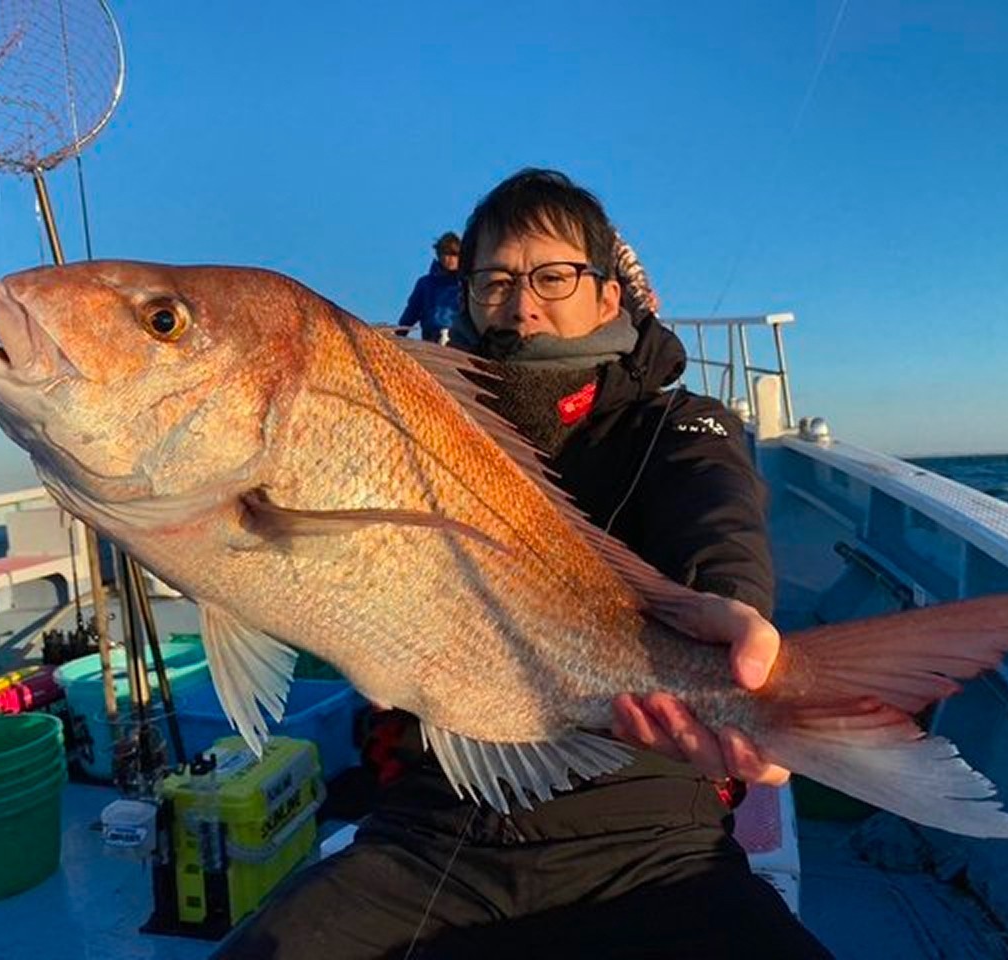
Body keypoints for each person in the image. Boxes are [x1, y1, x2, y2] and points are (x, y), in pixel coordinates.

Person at [213, 169, 832, 959]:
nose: (521, 303)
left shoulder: (680, 423)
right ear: (464, 294)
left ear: (610, 296)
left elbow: (717, 523)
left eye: (554, 276)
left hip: (647, 825)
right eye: (495, 280)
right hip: (437, 819)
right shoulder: (410, 418)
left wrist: (732, 614)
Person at [395, 231, 462, 343]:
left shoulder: (466, 284)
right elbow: (411, 313)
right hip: (431, 340)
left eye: (454, 254)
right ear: (439, 255)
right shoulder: (425, 284)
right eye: (446, 254)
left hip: (461, 342)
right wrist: (398, 337)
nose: (450, 259)